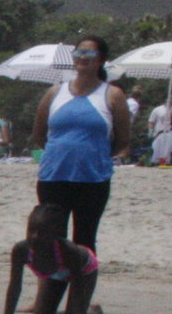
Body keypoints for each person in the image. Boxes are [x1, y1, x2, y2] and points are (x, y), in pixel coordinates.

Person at [32, 36, 129, 248]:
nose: (83, 58)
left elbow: (122, 140)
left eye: (90, 54)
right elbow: (40, 135)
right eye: (78, 53)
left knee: (84, 240)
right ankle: (52, 282)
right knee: (51, 239)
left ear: (101, 60)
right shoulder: (55, 92)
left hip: (92, 178)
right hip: (54, 176)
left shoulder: (113, 95)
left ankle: (81, 281)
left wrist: (96, 154)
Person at [0, 202, 107, 314]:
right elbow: (15, 288)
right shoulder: (21, 250)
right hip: (54, 274)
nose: (34, 237)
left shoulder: (69, 251)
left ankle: (95, 311)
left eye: (42, 233)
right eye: (31, 231)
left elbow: (77, 291)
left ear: (55, 234)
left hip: (84, 271)